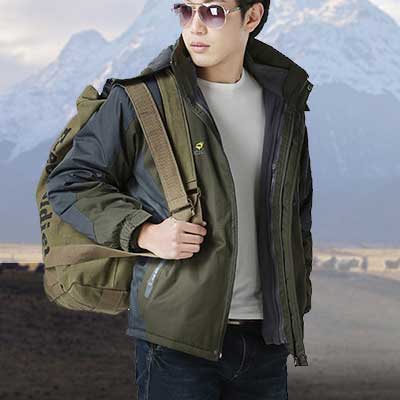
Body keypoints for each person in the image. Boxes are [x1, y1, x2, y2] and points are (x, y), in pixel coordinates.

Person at [46, 0, 314, 399]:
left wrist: (294, 297)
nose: (195, 26)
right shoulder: (143, 98)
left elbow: (298, 212)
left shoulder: (283, 102)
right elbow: (71, 181)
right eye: (186, 10)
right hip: (174, 343)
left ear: (252, 17)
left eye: (213, 12)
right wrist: (143, 232)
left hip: (267, 341)